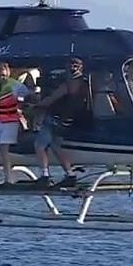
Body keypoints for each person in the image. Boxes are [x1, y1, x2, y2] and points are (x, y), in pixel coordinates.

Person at [32, 57, 89, 187]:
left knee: (40, 145)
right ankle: (70, 174)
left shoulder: (67, 85)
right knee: (56, 147)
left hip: (57, 119)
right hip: (70, 120)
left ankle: (45, 176)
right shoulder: (85, 84)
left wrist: (36, 106)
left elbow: (51, 99)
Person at [0, 61, 31, 185]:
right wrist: (0, 92)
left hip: (9, 120)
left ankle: (8, 178)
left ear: (8, 74)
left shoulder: (15, 85)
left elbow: (27, 95)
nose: (1, 78)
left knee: (4, 149)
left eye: (3, 75)